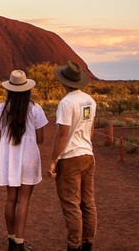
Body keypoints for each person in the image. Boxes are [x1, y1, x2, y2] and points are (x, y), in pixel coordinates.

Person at [0, 70, 48, 251]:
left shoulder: (2, 108)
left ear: (9, 90)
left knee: (10, 199)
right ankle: (20, 243)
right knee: (23, 201)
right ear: (27, 90)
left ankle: (10, 240)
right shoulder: (35, 109)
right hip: (29, 159)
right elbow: (40, 138)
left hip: (10, 158)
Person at [48, 60, 97, 251]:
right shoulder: (90, 101)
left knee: (71, 204)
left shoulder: (66, 103)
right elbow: (91, 130)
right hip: (88, 154)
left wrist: (53, 161)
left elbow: (62, 134)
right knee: (88, 202)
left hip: (70, 158)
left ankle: (73, 246)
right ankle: (87, 243)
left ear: (64, 82)